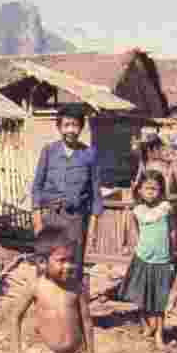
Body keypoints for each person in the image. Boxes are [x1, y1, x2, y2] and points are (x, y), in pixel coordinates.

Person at [31, 104, 103, 282]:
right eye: (66, 125)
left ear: (81, 127)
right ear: (59, 127)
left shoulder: (89, 154)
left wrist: (93, 227)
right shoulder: (49, 151)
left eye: (75, 125)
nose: (70, 130)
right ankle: (45, 303)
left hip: (75, 220)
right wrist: (38, 221)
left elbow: (95, 191)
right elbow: (37, 187)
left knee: (71, 264)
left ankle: (70, 305)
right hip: (51, 217)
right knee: (47, 261)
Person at [117, 170, 176, 350]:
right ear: (140, 190)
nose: (151, 192)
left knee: (159, 301)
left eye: (155, 189)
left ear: (161, 190)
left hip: (161, 260)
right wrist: (132, 248)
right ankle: (147, 326)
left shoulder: (166, 209)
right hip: (142, 257)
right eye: (147, 189)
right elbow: (135, 232)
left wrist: (172, 253)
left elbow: (172, 231)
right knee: (141, 294)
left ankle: (159, 335)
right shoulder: (137, 210)